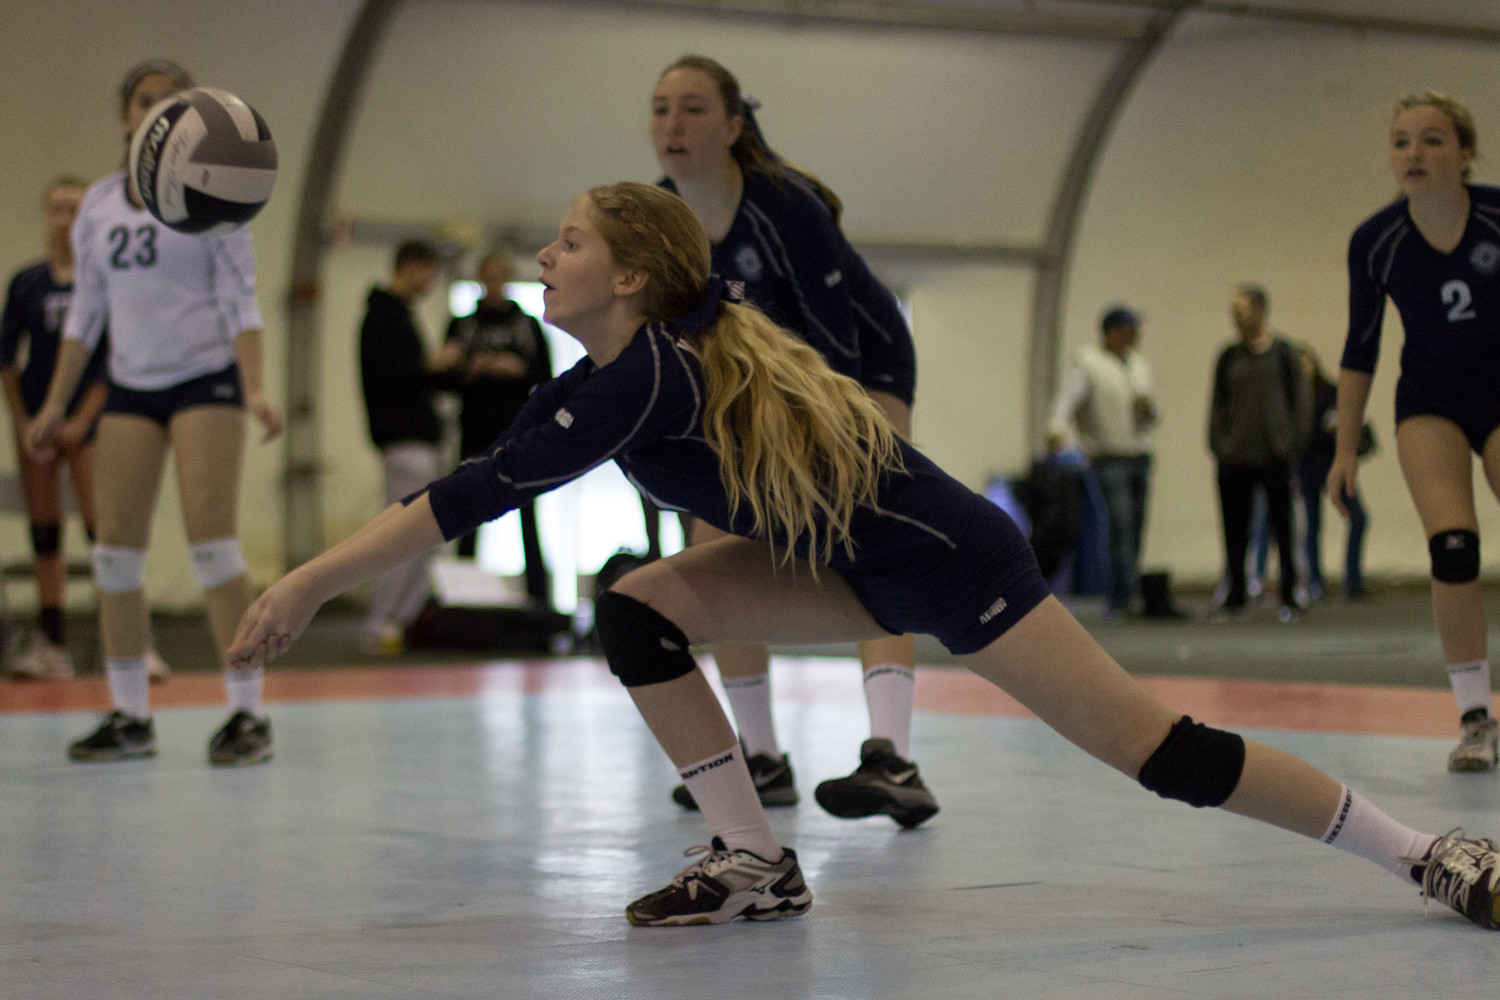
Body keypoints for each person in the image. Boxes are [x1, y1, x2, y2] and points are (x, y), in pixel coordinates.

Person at [231, 182, 1500, 932]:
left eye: (568, 241)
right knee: (636, 610)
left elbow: (457, 501)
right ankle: (755, 860)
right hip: (847, 568)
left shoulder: (641, 375)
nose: (547, 258)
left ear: (630, 274)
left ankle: (1423, 852)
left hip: (948, 558)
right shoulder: (610, 371)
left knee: (1161, 753)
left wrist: (299, 583)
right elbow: (474, 483)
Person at [651, 54, 934, 827]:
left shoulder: (787, 209)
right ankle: (762, 758)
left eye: (693, 108)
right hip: (755, 386)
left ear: (732, 125)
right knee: (711, 548)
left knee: (871, 538)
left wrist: (816, 448)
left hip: (860, 368)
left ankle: (893, 757)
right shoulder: (659, 217)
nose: (673, 123)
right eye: (661, 108)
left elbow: (836, 348)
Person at [27, 59, 281, 763]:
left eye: (173, 100)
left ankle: (248, 713)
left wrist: (255, 388)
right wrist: (54, 404)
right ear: (125, 115)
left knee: (213, 545)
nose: (158, 110)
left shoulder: (219, 194)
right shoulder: (100, 204)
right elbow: (87, 311)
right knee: (113, 554)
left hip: (205, 380)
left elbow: (241, 301)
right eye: (146, 100)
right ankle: (130, 715)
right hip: (131, 386)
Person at [1328, 91, 1500, 772]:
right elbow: (1359, 349)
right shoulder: (1377, 241)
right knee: (1453, 550)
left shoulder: (1495, 217)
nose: (1413, 153)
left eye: (1432, 139)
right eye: (1401, 141)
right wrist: (1344, 451)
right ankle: (1476, 720)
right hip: (1430, 402)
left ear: (1465, 152)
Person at [1, 177, 107, 680]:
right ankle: (52, 643)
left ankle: (126, 638)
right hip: (38, 425)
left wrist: (82, 420)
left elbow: (113, 357)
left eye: (74, 209)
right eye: (56, 209)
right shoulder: (27, 283)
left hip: (87, 423)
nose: (64, 220)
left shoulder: (99, 281)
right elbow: (6, 358)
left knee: (102, 530)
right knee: (45, 533)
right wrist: (24, 421)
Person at [432, 251, 551, 603]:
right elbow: (442, 378)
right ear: (481, 278)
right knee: (469, 508)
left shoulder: (526, 324)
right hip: (475, 428)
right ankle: (462, 596)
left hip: (517, 430)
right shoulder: (463, 324)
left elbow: (546, 376)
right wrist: (474, 369)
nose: (494, 281)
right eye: (489, 274)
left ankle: (539, 597)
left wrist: (514, 369)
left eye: (501, 274)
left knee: (527, 512)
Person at [1046, 304, 1158, 619]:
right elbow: (1067, 401)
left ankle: (1128, 591)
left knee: (1135, 528)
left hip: (1139, 456)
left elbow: (1154, 411)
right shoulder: (1088, 363)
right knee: (1119, 526)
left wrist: (1150, 410)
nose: (1135, 335)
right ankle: (1120, 598)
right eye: (1129, 329)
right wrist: (1056, 430)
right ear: (1112, 332)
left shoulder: (1138, 364)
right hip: (1108, 458)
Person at [357, 239, 443, 655]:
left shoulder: (400, 314)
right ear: (411, 267)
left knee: (424, 536)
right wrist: (431, 367)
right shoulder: (381, 318)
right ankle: (381, 621)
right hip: (402, 439)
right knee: (403, 536)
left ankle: (399, 618)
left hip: (415, 437)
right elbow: (387, 379)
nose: (431, 282)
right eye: (430, 273)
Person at [1207, 284, 1312, 621]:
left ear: (1260, 311)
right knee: (1234, 530)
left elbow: (1302, 402)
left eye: (1242, 311)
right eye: (1233, 313)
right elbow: (1217, 405)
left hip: (1275, 456)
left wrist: (1293, 442)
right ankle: (1235, 592)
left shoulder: (1284, 354)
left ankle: (1291, 591)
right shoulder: (1228, 357)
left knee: (1284, 528)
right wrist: (1220, 444)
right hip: (1235, 458)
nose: (1236, 318)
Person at [1295, 344, 1369, 602]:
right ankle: (1315, 582)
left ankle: (1353, 580)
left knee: (1358, 519)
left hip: (1333, 466)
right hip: (1307, 469)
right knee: (1312, 527)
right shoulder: (1292, 398)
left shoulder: (1330, 392)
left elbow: (1346, 421)